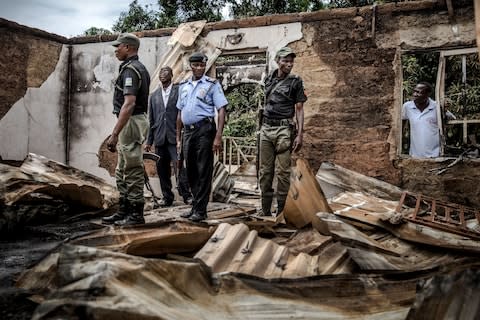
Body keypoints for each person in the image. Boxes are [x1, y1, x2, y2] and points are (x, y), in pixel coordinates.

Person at [102, 33, 151, 226]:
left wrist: (114, 134)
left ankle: (136, 214)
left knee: (131, 168)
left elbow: (129, 104)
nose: (116, 50)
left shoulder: (131, 70)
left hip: (131, 121)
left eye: (119, 46)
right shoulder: (135, 68)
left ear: (129, 48)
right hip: (130, 122)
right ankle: (124, 211)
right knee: (122, 168)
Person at [176, 52, 228, 222]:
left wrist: (218, 136)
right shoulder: (183, 86)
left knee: (203, 170)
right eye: (196, 65)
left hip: (205, 130)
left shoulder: (212, 85)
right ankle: (194, 207)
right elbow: (179, 113)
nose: (199, 68)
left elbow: (221, 110)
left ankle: (201, 210)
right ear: (190, 66)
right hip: (188, 132)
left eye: (202, 65)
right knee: (190, 170)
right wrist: (178, 137)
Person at [259, 47, 307, 216]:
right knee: (265, 171)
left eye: (291, 61)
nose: (289, 64)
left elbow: (299, 109)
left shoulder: (296, 82)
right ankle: (265, 210)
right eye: (285, 61)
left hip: (284, 130)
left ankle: (281, 210)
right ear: (277, 61)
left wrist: (300, 134)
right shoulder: (269, 78)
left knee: (283, 172)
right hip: (266, 128)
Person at [145, 66, 192, 206]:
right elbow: (151, 121)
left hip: (175, 137)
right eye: (161, 72)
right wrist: (149, 141)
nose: (162, 75)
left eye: (166, 72)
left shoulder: (179, 91)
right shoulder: (154, 96)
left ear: (172, 75)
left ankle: (186, 196)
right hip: (160, 138)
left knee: (179, 167)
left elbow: (184, 113)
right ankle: (167, 197)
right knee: (162, 169)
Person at [402, 82, 455, 158]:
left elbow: (452, 120)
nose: (414, 94)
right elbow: (401, 126)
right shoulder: (407, 106)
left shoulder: (436, 107)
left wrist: (444, 110)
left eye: (418, 92)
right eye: (414, 91)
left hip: (435, 155)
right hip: (415, 156)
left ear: (427, 94)